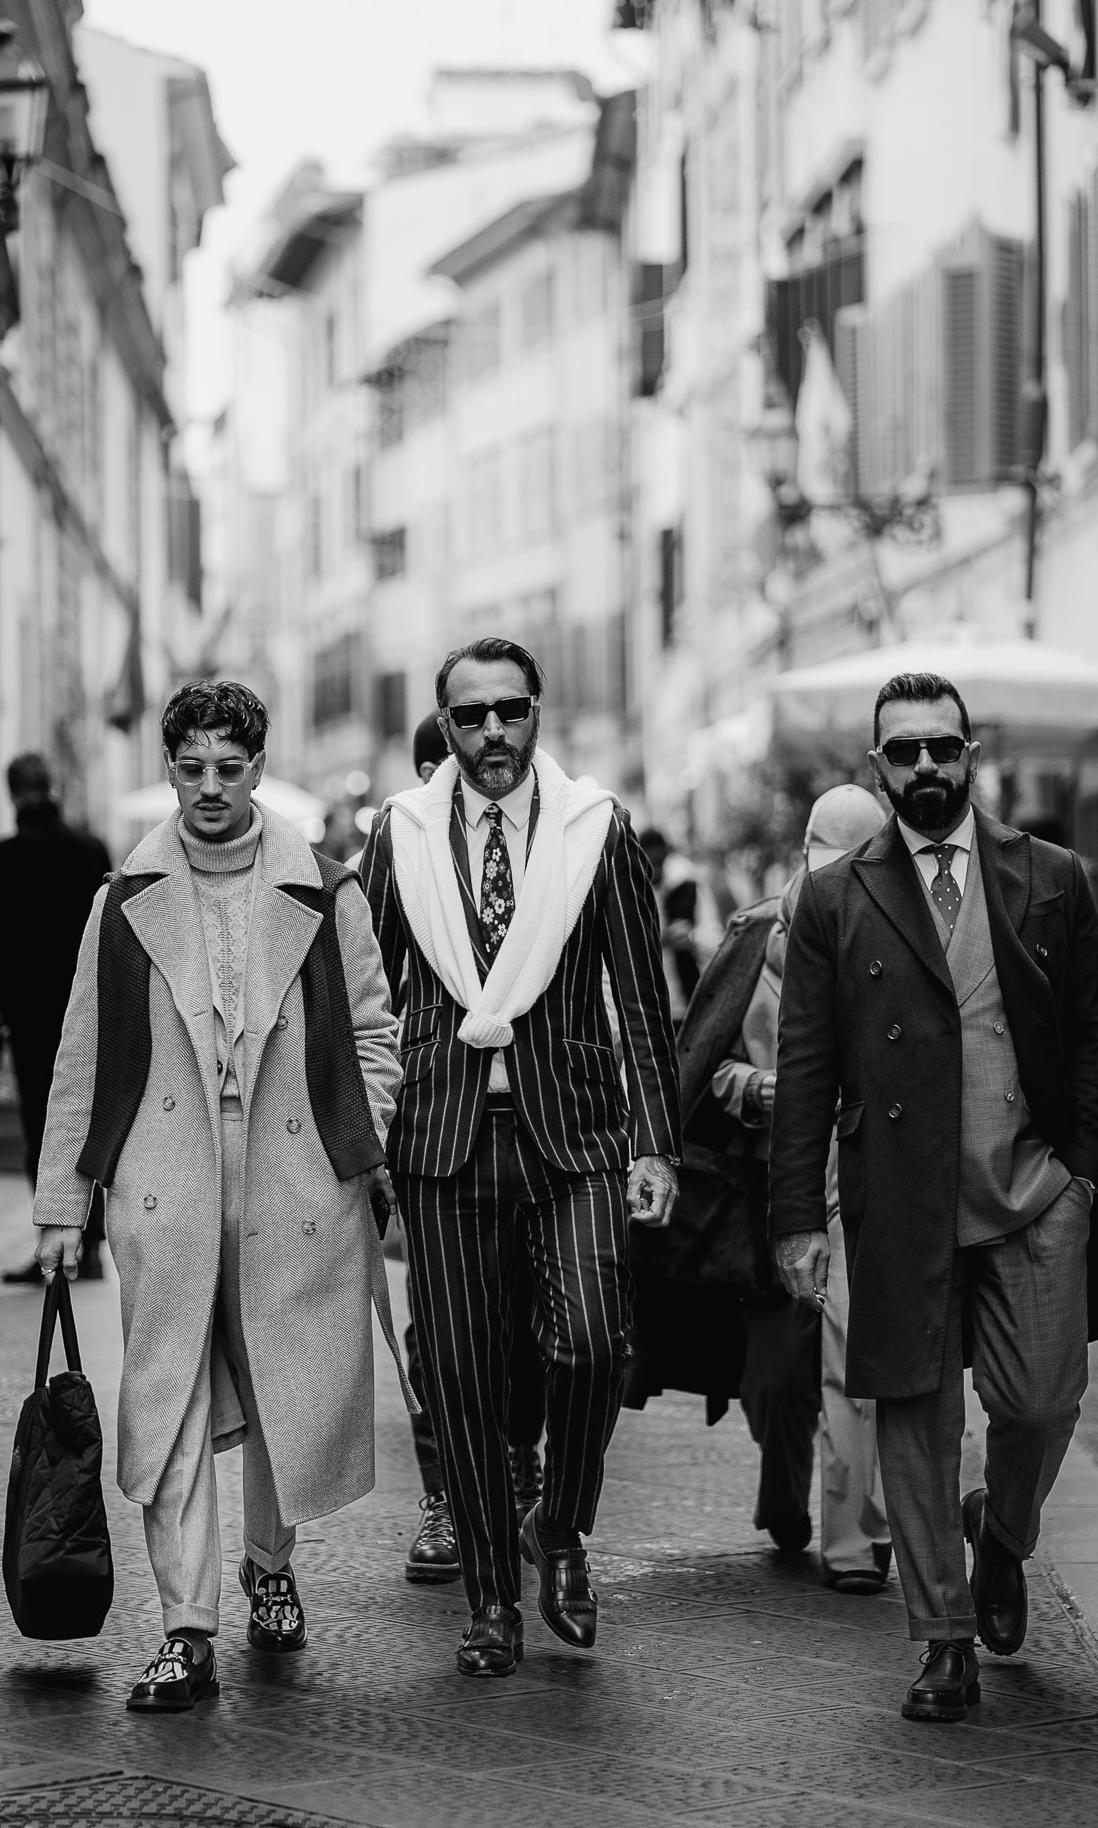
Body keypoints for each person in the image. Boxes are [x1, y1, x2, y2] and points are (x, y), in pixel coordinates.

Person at [769, 671, 1098, 1723]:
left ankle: (1003, 1536)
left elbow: (1093, 1034)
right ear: (875, 767)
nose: (925, 768)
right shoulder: (831, 896)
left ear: (970, 753)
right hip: (899, 1203)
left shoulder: (1051, 876)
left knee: (1039, 1402)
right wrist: (799, 1220)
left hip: (1032, 1197)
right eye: (902, 752)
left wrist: (1081, 1178)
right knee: (913, 1425)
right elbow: (804, 1069)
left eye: (942, 747)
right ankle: (942, 1637)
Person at [31, 680, 412, 1712]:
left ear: (255, 764)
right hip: (166, 1180)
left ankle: (269, 1565)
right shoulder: (120, 899)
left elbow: (377, 1032)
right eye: (190, 767)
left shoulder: (325, 889)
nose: (209, 787)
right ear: (167, 765)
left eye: (229, 768)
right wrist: (63, 1208)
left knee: (280, 1385)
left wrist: (355, 1131)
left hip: (295, 1179)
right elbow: (81, 1058)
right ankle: (185, 1629)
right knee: (174, 1401)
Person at [361, 636, 681, 1678]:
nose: (492, 733)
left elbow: (640, 996)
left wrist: (657, 1146)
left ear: (538, 712)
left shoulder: (597, 831)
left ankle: (563, 1528)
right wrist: (359, 1144)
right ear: (443, 729)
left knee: (591, 1341)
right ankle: (492, 1600)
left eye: (509, 711)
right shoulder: (399, 835)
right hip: (443, 1138)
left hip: (574, 1130)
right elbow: (369, 1003)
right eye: (469, 717)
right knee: (457, 1376)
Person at [628, 785, 890, 1591]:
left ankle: (857, 1539)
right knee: (776, 1376)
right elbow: (702, 1067)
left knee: (860, 1366)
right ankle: (787, 1502)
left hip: (866, 1180)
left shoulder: (897, 932)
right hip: (765, 1190)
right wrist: (760, 1089)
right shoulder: (753, 936)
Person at [395, 711, 548, 1584]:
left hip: (537, 1122)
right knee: (438, 1333)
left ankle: (523, 1450)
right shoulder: (405, 843)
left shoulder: (550, 837)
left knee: (529, 1324)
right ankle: (447, 1496)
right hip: (441, 1121)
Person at [0, 753, 111, 1283]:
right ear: (51, 788)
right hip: (89, 1009)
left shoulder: (12, 851)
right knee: (92, 1121)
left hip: (32, 1015)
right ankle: (92, 1244)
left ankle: (54, 1243)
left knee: (44, 1124)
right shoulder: (89, 846)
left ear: (13, 795)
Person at [640, 827, 719, 1025]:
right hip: (649, 1011)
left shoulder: (689, 888)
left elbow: (718, 941)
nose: (653, 869)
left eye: (657, 862)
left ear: (666, 856)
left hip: (690, 1005)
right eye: (647, 862)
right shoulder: (633, 895)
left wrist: (691, 938)